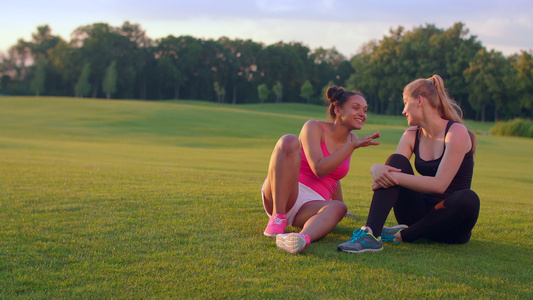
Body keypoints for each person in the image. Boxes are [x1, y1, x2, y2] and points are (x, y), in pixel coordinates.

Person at [337, 75, 480, 253]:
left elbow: (439, 185)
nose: (403, 110)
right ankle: (370, 234)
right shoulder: (411, 135)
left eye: (405, 102)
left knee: (469, 198)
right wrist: (376, 169)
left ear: (419, 100)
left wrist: (391, 175)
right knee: (396, 161)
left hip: (450, 224)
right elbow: (392, 170)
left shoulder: (456, 132)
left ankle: (403, 235)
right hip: (417, 215)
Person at [262, 86, 380, 254]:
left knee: (339, 207)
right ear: (338, 110)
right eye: (356, 108)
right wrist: (352, 146)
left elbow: (334, 174)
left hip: (310, 207)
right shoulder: (314, 127)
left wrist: (339, 205)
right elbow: (319, 168)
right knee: (289, 140)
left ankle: (300, 239)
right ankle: (278, 217)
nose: (363, 114)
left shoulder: (352, 139)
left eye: (365, 110)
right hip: (285, 193)